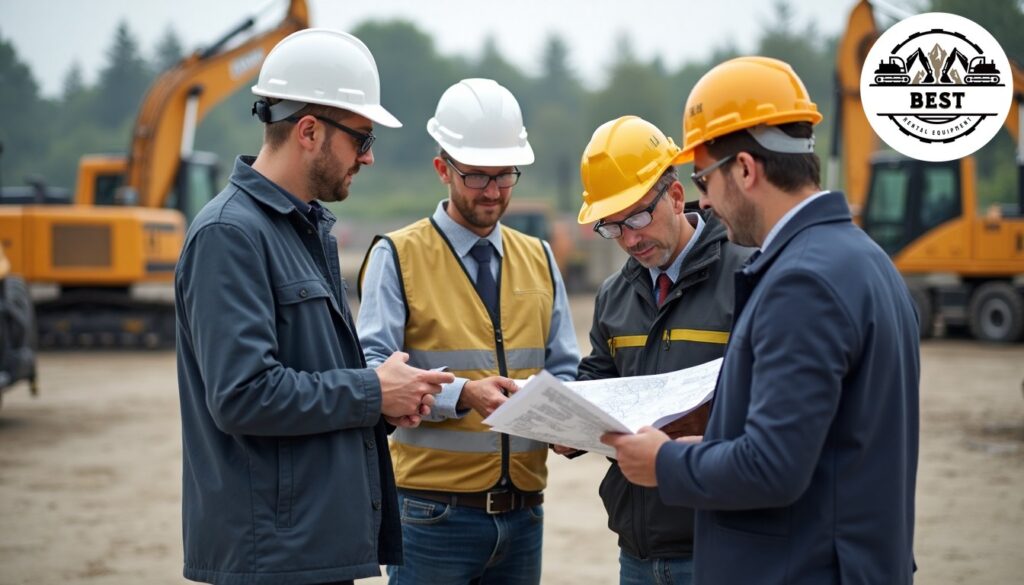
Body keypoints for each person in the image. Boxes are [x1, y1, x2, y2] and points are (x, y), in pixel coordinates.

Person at [602, 56, 920, 584]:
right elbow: (828, 448)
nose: (702, 201)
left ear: (745, 169)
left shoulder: (802, 283)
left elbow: (773, 468)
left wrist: (665, 463)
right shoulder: (865, 261)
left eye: (704, 179)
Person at [175, 29, 454, 585]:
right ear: (308, 131)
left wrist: (381, 401)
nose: (369, 157)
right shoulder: (230, 234)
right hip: (271, 560)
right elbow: (243, 396)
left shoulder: (300, 229)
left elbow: (308, 379)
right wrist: (373, 390)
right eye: (361, 137)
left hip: (307, 549)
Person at [357, 78, 580, 585]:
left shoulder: (540, 257)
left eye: (506, 176)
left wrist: (566, 418)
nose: (494, 191)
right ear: (443, 169)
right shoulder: (397, 255)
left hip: (525, 515)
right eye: (478, 176)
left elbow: (564, 366)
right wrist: (462, 396)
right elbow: (375, 372)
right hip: (432, 517)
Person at [565, 115, 752, 585]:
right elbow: (599, 377)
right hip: (639, 547)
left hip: (721, 542)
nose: (629, 239)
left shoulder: (748, 276)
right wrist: (565, 415)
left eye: (637, 218)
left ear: (674, 195)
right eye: (612, 227)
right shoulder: (614, 293)